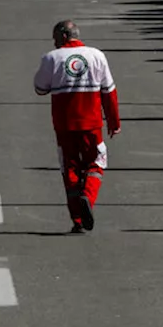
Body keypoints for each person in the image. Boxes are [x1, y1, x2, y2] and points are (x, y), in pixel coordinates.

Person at [33, 20, 121, 233]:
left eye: (55, 37)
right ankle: (88, 197)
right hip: (91, 124)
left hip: (64, 125)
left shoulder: (51, 58)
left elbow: (40, 88)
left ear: (64, 35)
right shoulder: (97, 55)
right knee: (96, 162)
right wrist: (113, 122)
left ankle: (78, 221)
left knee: (70, 169)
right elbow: (109, 92)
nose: (53, 42)